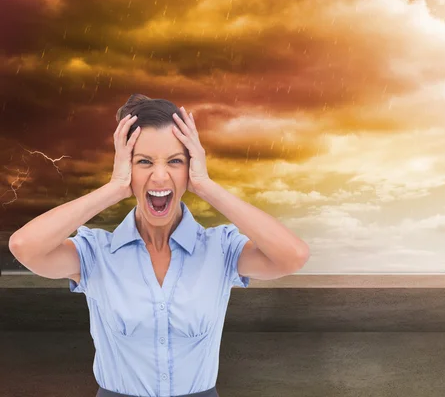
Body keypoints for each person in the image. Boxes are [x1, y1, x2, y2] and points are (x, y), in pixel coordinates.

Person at [8, 94, 311, 397]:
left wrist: (205, 185)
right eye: (144, 162)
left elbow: (292, 256)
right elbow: (24, 246)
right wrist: (114, 187)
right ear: (127, 167)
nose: (160, 175)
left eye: (175, 161)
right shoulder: (96, 253)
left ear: (190, 167)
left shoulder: (220, 249)